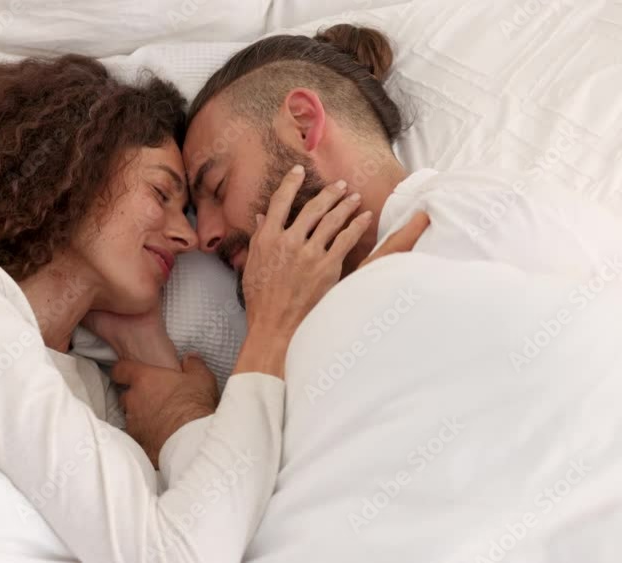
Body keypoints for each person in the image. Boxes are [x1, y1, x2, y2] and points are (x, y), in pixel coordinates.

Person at [0, 54, 395, 562]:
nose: (188, 236)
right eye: (161, 193)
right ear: (71, 172)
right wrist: (269, 330)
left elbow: (229, 527)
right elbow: (177, 554)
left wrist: (147, 345)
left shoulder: (97, 394)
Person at [120, 23, 620, 458]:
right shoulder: (289, 351)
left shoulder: (482, 215)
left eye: (217, 186)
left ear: (303, 124)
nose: (204, 236)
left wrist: (180, 430)